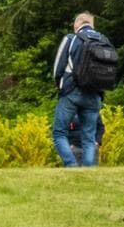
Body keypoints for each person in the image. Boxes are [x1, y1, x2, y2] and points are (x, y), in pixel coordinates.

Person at [48, 10, 117, 168]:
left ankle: (71, 165)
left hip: (71, 91)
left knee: (59, 132)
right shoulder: (104, 40)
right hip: (95, 94)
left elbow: (58, 68)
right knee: (89, 137)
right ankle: (88, 171)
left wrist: (61, 87)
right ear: (92, 25)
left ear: (76, 25)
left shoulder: (71, 38)